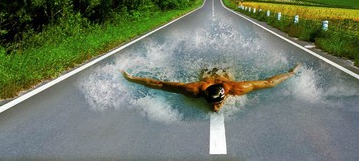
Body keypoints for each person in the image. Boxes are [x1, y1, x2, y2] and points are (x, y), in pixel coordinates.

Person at [120, 64, 300, 112]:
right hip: (207, 75)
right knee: (206, 72)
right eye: (211, 104)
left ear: (225, 96)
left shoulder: (236, 88)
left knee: (226, 73)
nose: (214, 108)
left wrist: (290, 73)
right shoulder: (193, 90)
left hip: (223, 75)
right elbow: (159, 84)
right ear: (204, 96)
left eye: (217, 104)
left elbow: (269, 83)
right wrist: (131, 79)